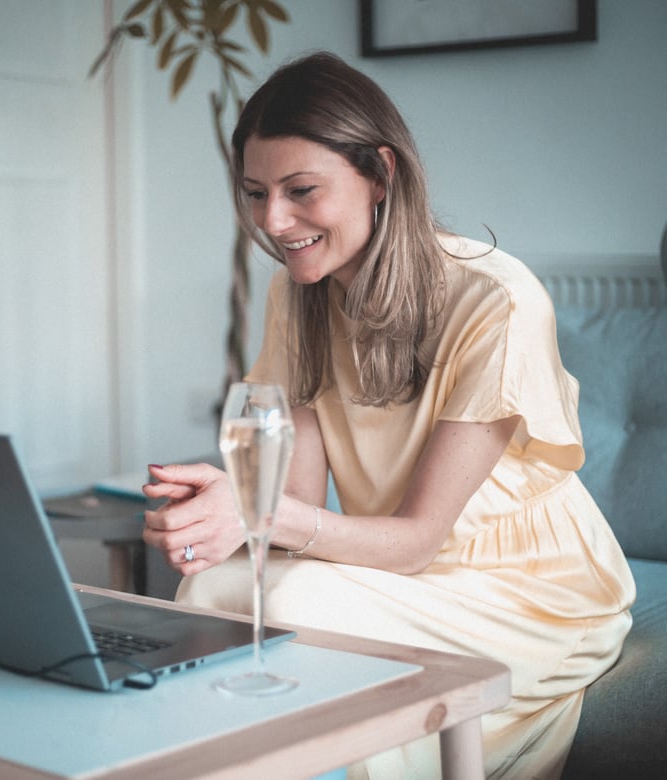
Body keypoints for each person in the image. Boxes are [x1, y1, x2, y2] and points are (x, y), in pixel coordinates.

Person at [142, 51, 635, 780]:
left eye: (300, 190)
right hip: (400, 577)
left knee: (281, 597)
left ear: (379, 173)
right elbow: (297, 507)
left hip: (527, 591)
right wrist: (223, 516)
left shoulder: (494, 302)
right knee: (216, 589)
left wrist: (259, 518)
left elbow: (412, 540)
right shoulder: (297, 296)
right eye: (254, 193)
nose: (274, 221)